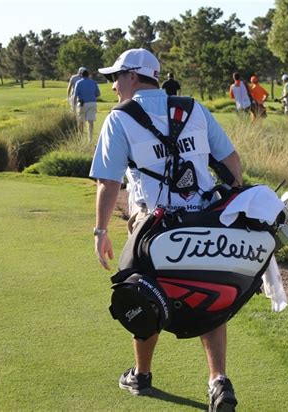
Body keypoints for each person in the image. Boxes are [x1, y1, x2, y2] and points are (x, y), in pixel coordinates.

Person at [90, 48, 243, 411]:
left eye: (115, 77)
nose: (112, 86)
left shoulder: (119, 118)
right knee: (210, 297)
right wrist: (232, 203)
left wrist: (99, 232)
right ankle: (218, 381)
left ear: (132, 77)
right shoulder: (193, 108)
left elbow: (108, 184)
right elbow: (231, 161)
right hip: (204, 220)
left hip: (152, 228)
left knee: (143, 297)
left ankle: (141, 376)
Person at [73, 69, 100, 142]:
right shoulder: (94, 82)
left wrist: (74, 106)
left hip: (82, 104)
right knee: (90, 122)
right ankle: (90, 139)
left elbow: (75, 96)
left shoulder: (78, 82)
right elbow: (98, 94)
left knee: (81, 122)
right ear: (89, 75)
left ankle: (80, 139)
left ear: (81, 75)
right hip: (92, 103)